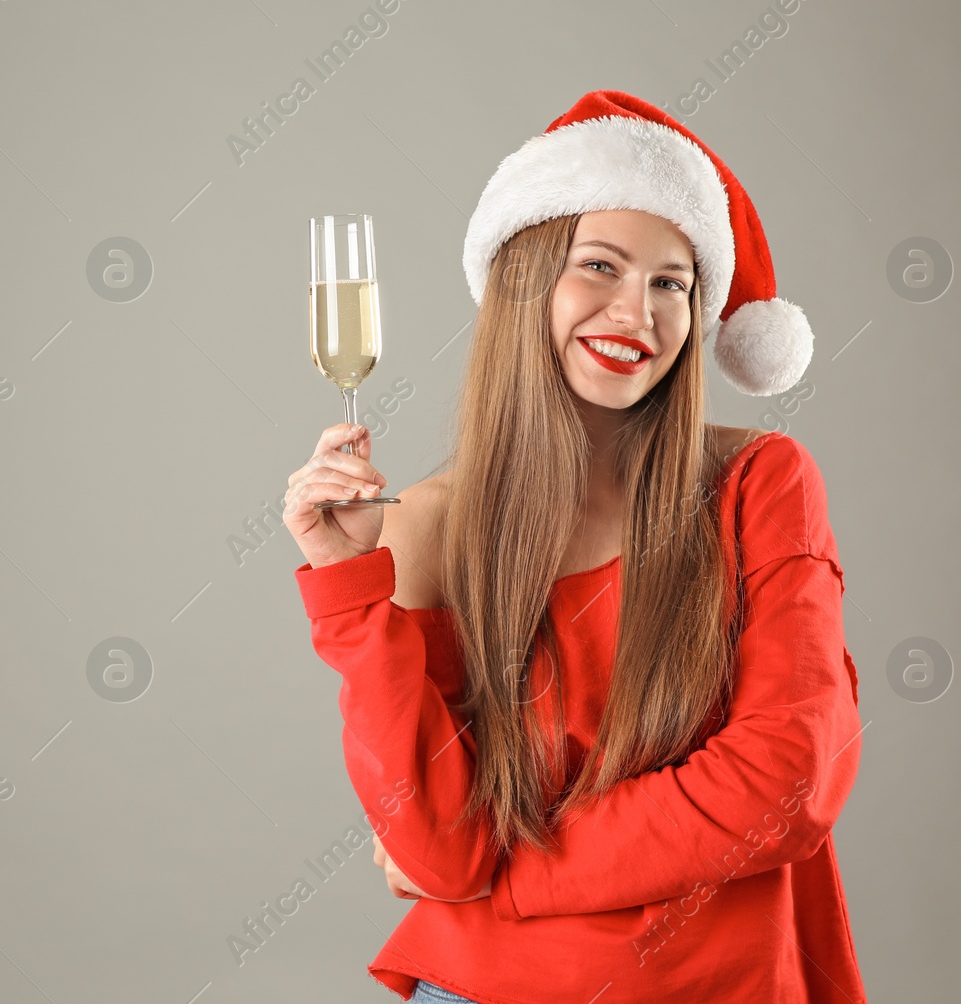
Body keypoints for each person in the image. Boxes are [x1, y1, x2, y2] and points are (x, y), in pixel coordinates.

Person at [282, 90, 866, 1003]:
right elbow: (438, 847)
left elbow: (787, 778)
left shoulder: (761, 482)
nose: (637, 311)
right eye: (600, 265)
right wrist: (348, 587)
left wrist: (520, 875)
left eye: (671, 282)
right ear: (524, 280)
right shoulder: (428, 525)